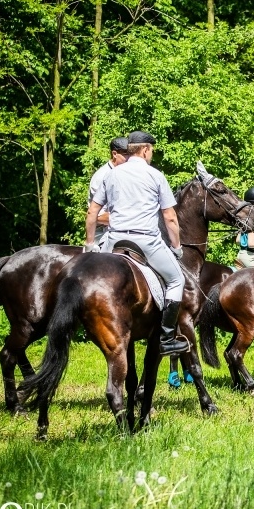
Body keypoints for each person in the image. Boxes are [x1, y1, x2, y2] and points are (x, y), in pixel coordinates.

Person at [85, 130, 189, 356]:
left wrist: (90, 244)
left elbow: (93, 211)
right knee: (176, 280)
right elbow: (170, 217)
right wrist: (177, 248)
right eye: (152, 150)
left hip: (113, 239)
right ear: (145, 150)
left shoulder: (110, 175)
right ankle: (167, 338)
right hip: (146, 241)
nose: (151, 154)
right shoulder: (155, 175)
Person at [88, 137, 129, 246]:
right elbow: (99, 217)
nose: (129, 158)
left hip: (122, 231)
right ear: (114, 154)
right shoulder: (101, 177)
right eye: (126, 154)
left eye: (131, 154)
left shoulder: (126, 173)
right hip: (102, 233)